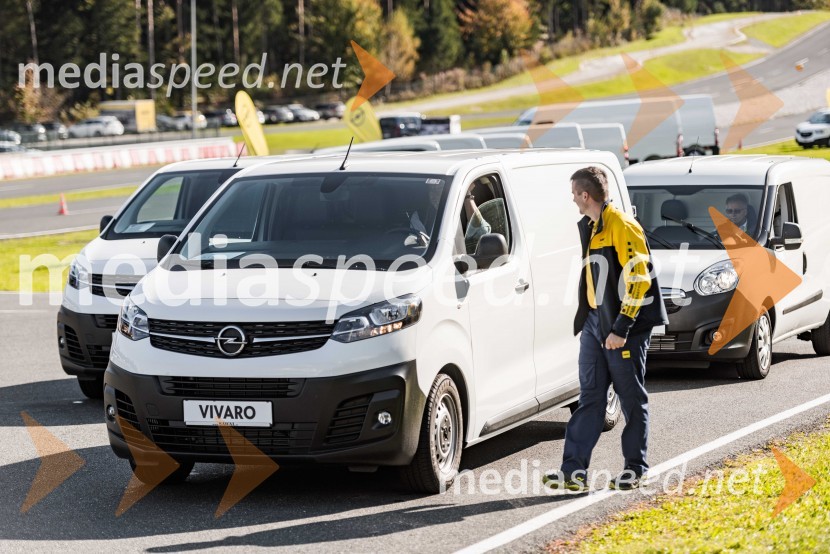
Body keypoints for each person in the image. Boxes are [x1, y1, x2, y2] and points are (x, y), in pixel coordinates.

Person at [543, 166, 668, 492]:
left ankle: (635, 469)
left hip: (623, 326)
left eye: (574, 194)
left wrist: (621, 328)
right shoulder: (593, 226)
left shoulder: (622, 226)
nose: (572, 199)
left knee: (630, 399)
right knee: (590, 398)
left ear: (586, 195)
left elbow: (640, 281)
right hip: (596, 323)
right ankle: (573, 472)